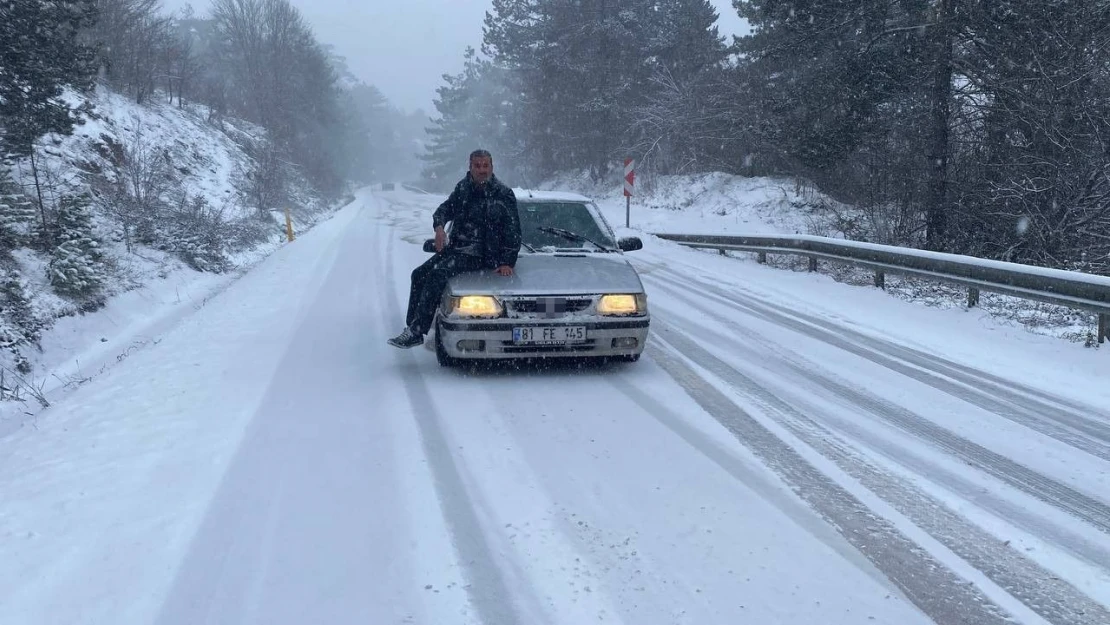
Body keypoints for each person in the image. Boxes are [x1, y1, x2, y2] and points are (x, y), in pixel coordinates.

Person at [388, 149, 521, 349]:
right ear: (470, 167)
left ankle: (417, 330)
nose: (482, 170)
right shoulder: (463, 189)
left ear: (492, 167)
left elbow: (514, 231)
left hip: (482, 254)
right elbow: (444, 209)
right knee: (418, 274)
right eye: (478, 165)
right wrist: (439, 228)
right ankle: (412, 328)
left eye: (486, 165)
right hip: (457, 249)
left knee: (437, 275)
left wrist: (507, 262)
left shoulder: (503, 194)